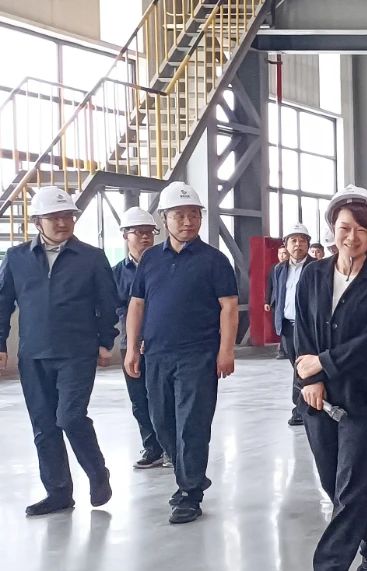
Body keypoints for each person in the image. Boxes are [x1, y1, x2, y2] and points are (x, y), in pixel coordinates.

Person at [293, 185, 367, 571]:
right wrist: (309, 379)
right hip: (316, 396)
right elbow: (302, 332)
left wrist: (323, 365)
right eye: (344, 228)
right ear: (332, 229)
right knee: (334, 484)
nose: (351, 237)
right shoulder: (313, 275)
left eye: (361, 230)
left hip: (365, 397)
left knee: (351, 488)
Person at [125, 181, 238, 525]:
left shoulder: (215, 260)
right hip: (156, 354)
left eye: (194, 214)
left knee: (192, 423)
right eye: (179, 215)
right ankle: (191, 475)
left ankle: (189, 492)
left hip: (198, 355)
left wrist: (226, 350)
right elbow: (137, 304)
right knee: (162, 422)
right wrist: (132, 347)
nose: (188, 221)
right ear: (164, 218)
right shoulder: (150, 259)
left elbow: (229, 307)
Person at [0, 186, 117, 516]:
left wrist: (105, 341)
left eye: (68, 216)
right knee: (44, 425)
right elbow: (2, 302)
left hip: (77, 352)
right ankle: (58, 492)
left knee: (69, 417)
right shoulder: (17, 258)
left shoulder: (91, 258)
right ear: (37, 221)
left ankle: (97, 472)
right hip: (33, 354)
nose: (63, 222)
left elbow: (108, 302)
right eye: (54, 217)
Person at [112, 207, 168, 469]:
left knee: (164, 398)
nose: (146, 237)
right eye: (139, 232)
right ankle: (152, 448)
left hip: (162, 343)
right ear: (125, 235)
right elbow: (113, 307)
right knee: (139, 400)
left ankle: (170, 448)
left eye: (149, 232)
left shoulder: (166, 266)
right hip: (131, 344)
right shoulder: (116, 273)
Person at [268, 224, 316, 426]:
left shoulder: (317, 267)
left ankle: (301, 409)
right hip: (288, 326)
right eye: (293, 240)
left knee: (305, 366)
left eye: (302, 240)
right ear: (285, 244)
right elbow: (278, 294)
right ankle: (302, 406)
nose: (298, 245)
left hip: (308, 327)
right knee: (295, 367)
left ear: (308, 244)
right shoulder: (279, 269)